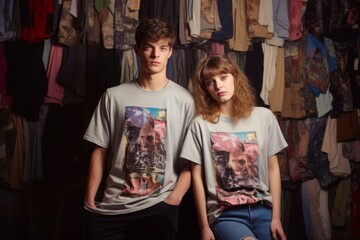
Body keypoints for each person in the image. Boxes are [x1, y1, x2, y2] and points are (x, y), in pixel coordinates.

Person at [83, 18, 195, 240]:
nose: (155, 55)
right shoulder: (113, 96)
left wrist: (174, 199)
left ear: (170, 52)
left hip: (158, 207)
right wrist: (89, 198)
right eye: (148, 47)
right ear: (137, 50)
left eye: (162, 48)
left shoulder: (184, 100)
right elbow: (100, 150)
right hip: (112, 207)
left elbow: (193, 160)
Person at [180, 55, 288, 240]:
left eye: (223, 77)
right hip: (226, 214)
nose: (218, 86)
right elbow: (197, 177)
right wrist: (204, 227)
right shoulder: (200, 125)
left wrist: (276, 217)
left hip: (263, 209)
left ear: (235, 77)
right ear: (206, 89)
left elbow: (273, 168)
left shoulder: (264, 117)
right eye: (210, 82)